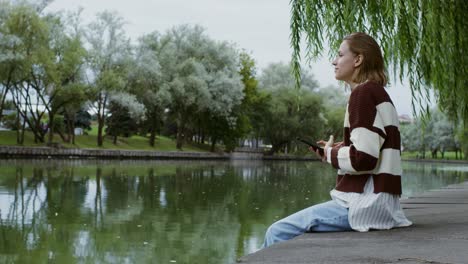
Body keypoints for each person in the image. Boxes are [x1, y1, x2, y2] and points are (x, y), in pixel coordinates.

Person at [262, 32, 412, 248]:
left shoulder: (362, 95)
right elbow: (373, 147)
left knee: (277, 232)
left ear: (358, 59)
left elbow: (364, 159)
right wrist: (334, 150)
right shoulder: (378, 93)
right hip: (383, 206)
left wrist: (332, 154)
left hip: (364, 206)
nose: (334, 60)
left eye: (340, 55)